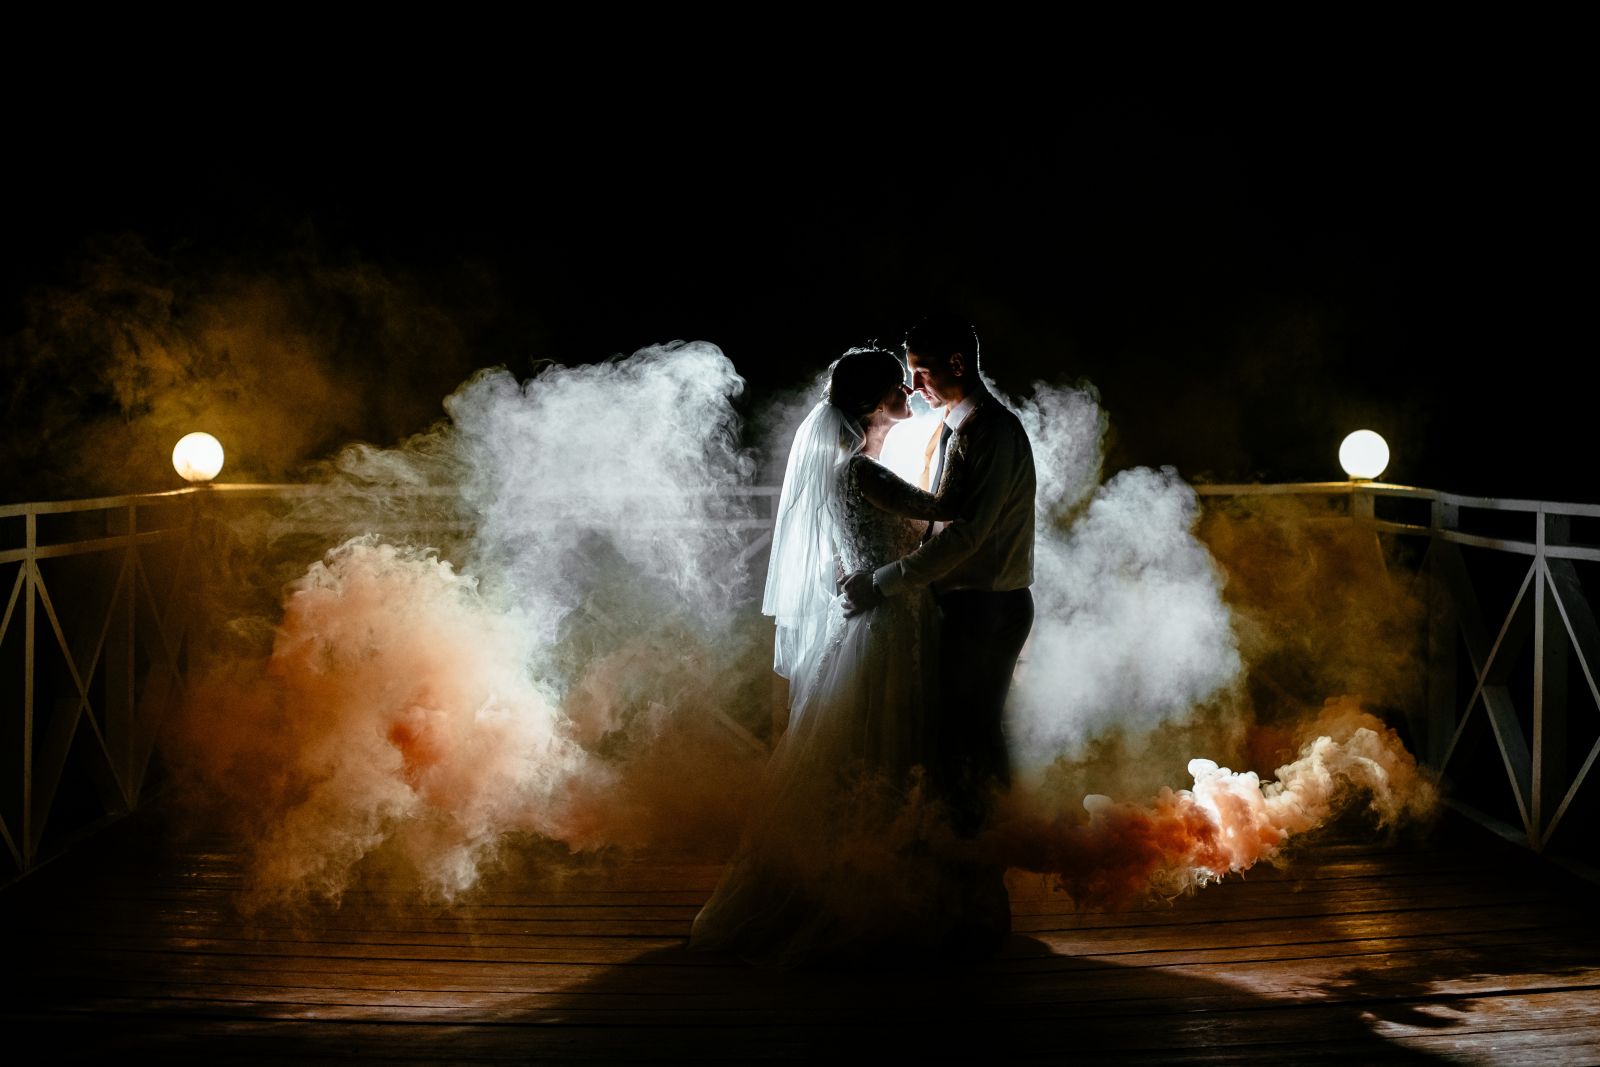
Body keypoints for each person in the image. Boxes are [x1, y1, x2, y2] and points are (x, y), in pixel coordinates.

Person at [690, 347, 958, 966]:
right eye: (898, 386)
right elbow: (943, 510)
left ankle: (882, 883)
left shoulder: (852, 470)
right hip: (889, 622)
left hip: (876, 617)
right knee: (886, 747)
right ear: (872, 402)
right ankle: (875, 895)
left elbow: (853, 549)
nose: (909, 394)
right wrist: (952, 444)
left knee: (870, 747)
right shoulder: (860, 471)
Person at [841, 315, 1037, 958]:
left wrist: (884, 581)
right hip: (958, 605)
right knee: (953, 746)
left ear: (956, 362)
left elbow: (968, 535)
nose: (914, 384)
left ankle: (983, 898)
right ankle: (954, 891)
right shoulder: (950, 426)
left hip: (987, 606)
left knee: (971, 746)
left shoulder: (993, 431)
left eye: (920, 370)